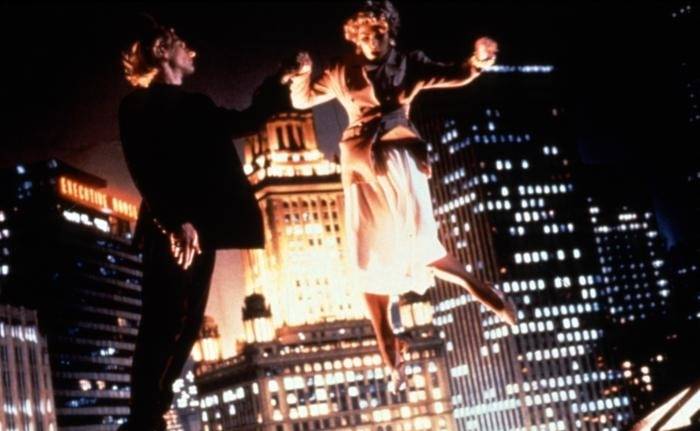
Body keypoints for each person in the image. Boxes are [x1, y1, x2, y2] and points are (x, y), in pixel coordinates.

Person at [282, 0, 518, 392]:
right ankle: (393, 361)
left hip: (398, 157)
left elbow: (455, 74)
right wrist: (302, 75)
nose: (372, 40)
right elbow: (303, 100)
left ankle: (489, 297)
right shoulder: (341, 71)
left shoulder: (411, 63)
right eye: (364, 35)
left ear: (390, 34)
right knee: (367, 256)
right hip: (360, 164)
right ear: (355, 39)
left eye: (379, 33)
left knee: (419, 240)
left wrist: (478, 61)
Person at [118, 15, 264, 431]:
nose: (193, 50)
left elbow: (246, 121)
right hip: (171, 229)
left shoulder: (197, 106)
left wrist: (283, 80)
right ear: (161, 51)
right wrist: (173, 221)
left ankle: (152, 414)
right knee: (163, 321)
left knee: (187, 324)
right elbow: (143, 166)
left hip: (201, 231)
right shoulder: (137, 105)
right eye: (182, 43)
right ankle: (144, 418)